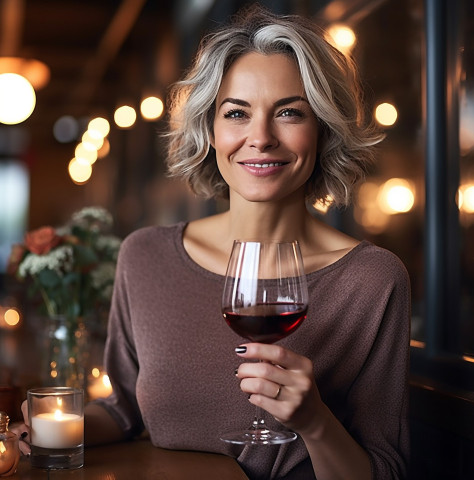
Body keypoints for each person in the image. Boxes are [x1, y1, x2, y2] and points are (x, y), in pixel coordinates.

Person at [13, 5, 410, 479]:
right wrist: (45, 429)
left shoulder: (372, 279)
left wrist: (315, 424)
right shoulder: (146, 256)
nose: (259, 138)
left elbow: (385, 471)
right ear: (210, 131)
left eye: (288, 112)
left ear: (323, 130)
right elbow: (123, 411)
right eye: (236, 113)